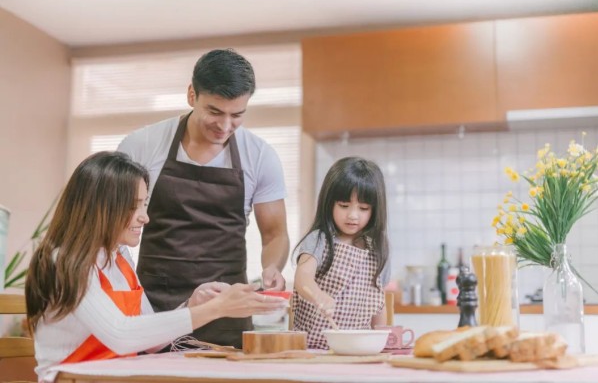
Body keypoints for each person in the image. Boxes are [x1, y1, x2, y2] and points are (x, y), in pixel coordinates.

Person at [25, 152, 287, 381]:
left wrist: (192, 306)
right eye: (132, 206)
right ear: (99, 208)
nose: (145, 216)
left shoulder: (120, 258)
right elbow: (121, 335)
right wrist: (214, 309)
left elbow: (150, 341)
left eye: (144, 203)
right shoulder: (63, 262)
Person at [117, 49, 289, 348]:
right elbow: (113, 224)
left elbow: (275, 234)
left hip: (226, 308)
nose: (224, 126)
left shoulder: (260, 156)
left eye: (237, 115)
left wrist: (272, 267)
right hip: (154, 304)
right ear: (191, 94)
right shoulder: (142, 146)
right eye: (214, 111)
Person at [292, 156, 390, 349]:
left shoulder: (377, 249)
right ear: (329, 203)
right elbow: (302, 279)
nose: (353, 215)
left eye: (363, 208)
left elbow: (379, 300)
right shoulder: (319, 239)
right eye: (344, 206)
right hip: (313, 348)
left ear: (375, 210)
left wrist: (383, 339)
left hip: (359, 348)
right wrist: (318, 296)